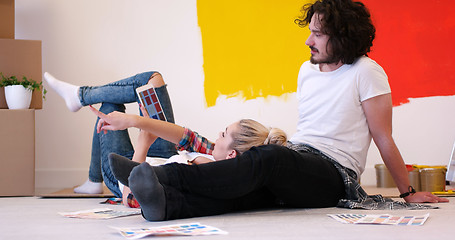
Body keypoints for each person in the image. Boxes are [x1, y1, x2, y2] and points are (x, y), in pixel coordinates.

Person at [102, 0, 447, 221]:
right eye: (310, 31)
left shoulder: (366, 72)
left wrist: (406, 192)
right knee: (247, 192)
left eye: (318, 34)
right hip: (300, 159)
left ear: (342, 38)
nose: (308, 41)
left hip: (334, 175)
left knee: (269, 158)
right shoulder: (306, 70)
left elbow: (383, 137)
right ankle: (166, 204)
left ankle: (162, 176)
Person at [44, 71, 287, 200]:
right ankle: (80, 96)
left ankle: (95, 179)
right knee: (152, 80)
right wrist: (136, 121)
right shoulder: (217, 154)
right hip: (161, 152)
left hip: (127, 170)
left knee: (108, 108)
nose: (217, 135)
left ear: (232, 153)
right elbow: (186, 136)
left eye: (223, 134)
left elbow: (133, 195)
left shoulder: (206, 174)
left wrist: (142, 142)